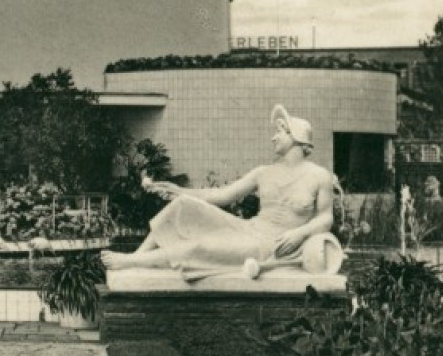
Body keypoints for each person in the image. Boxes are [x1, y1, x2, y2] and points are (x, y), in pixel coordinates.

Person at [101, 105, 341, 281]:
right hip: (248, 229)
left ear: (296, 137)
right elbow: (222, 195)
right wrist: (179, 191)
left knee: (202, 247)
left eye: (280, 131)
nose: (273, 137)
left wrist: (300, 233)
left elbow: (325, 218)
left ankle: (131, 262)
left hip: (269, 246)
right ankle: (137, 259)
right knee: (183, 204)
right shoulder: (263, 172)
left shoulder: (318, 176)